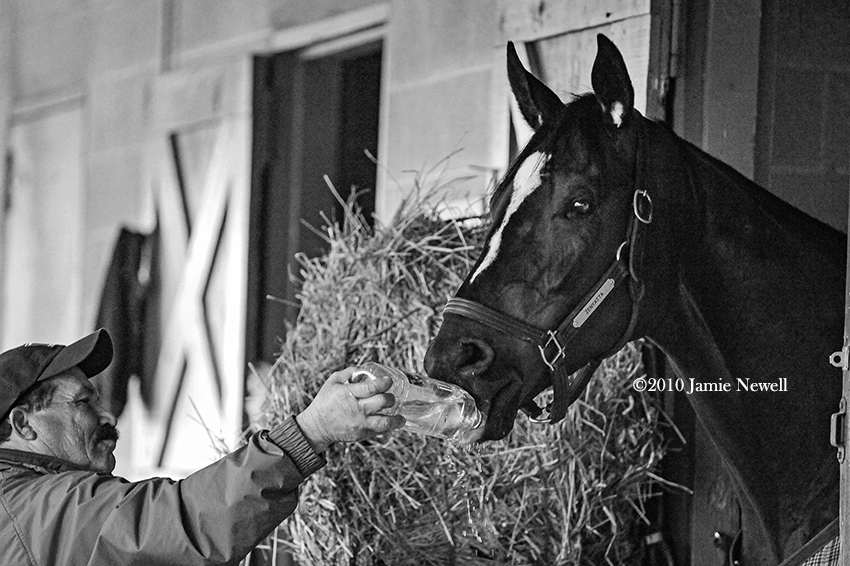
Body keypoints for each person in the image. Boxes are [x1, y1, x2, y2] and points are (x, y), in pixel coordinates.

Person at [0, 328, 404, 566]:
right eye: (83, 402)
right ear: (23, 424)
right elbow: (175, 526)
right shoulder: (33, 513)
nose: (107, 417)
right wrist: (311, 431)